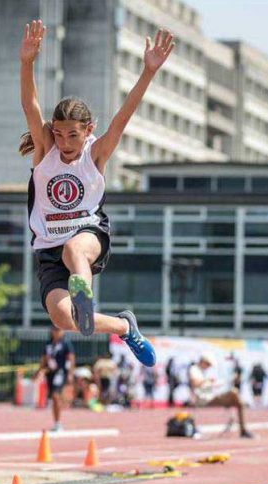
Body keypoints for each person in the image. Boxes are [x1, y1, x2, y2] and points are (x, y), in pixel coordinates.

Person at [19, 20, 173, 367]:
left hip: (88, 235)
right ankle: (123, 325)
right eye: (59, 134)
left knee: (75, 249)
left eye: (73, 135)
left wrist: (148, 72)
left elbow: (124, 115)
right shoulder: (45, 149)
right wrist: (26, 62)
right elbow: (31, 106)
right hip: (48, 248)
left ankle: (83, 295)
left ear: (87, 130)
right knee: (63, 319)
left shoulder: (95, 152)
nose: (65, 143)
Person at [188, 352, 253, 438]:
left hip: (210, 397)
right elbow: (195, 383)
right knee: (234, 393)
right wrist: (208, 381)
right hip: (204, 400)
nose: (208, 367)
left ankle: (242, 427)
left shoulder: (202, 372)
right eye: (208, 364)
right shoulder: (194, 369)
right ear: (203, 361)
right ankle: (241, 427)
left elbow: (206, 386)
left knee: (237, 401)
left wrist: (213, 384)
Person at [37, 327, 75, 431]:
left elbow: (71, 359)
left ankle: (58, 423)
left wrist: (70, 374)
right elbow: (43, 359)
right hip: (50, 374)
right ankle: (56, 421)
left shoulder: (65, 344)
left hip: (61, 372)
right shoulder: (48, 345)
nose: (56, 332)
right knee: (54, 398)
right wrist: (38, 371)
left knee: (55, 395)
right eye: (54, 330)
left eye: (59, 330)